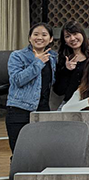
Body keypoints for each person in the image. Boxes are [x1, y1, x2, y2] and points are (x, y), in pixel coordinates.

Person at [6, 23, 58, 152]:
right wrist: (38, 63)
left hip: (44, 111)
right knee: (19, 153)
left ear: (50, 39)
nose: (39, 37)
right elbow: (17, 80)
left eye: (44, 35)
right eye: (36, 34)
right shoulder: (17, 56)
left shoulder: (53, 57)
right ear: (29, 38)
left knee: (41, 153)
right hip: (19, 109)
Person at [53, 21, 89, 106]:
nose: (72, 38)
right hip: (70, 104)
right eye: (68, 36)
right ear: (64, 40)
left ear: (82, 34)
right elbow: (59, 91)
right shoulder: (62, 59)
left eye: (75, 34)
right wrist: (67, 70)